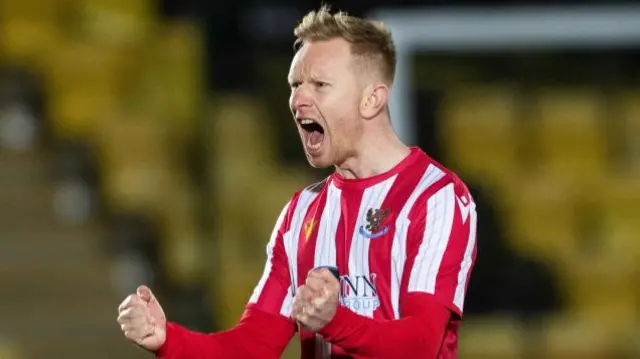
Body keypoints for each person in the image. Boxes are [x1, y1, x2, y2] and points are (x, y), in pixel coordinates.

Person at [117, 5, 477, 359]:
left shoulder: (437, 198)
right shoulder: (301, 213)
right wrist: (168, 340)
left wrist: (336, 321)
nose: (298, 100)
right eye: (295, 85)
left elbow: (421, 343)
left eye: (319, 84)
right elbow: (253, 346)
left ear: (372, 99)